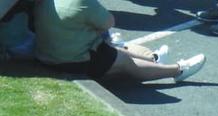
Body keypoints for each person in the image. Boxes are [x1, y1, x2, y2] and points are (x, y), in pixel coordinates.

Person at [34, 0, 204, 82]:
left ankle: (154, 60)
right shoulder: (82, 2)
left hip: (46, 54)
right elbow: (109, 22)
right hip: (74, 62)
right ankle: (178, 71)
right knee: (125, 61)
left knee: (112, 46)